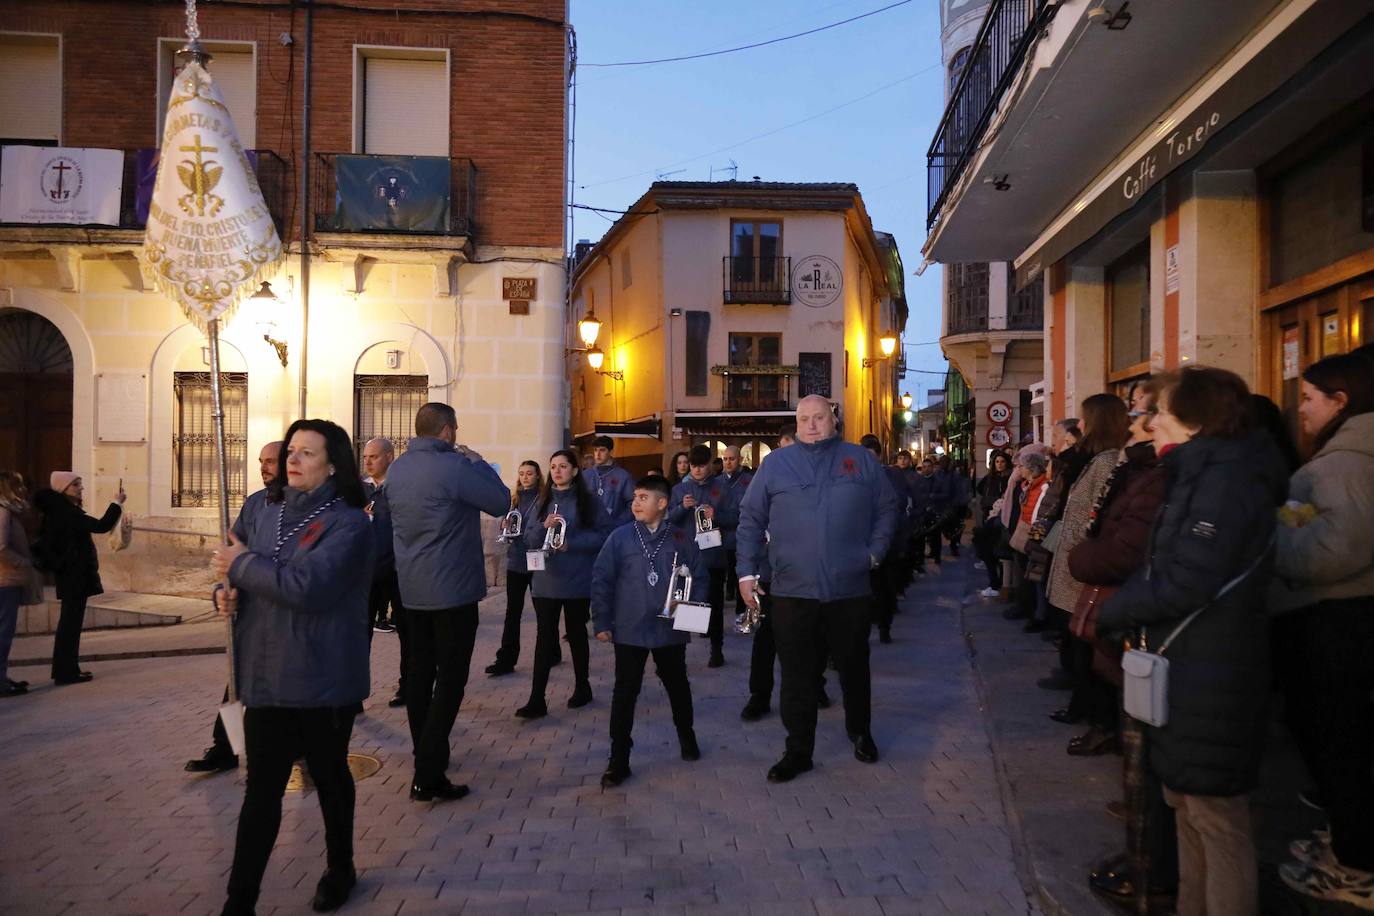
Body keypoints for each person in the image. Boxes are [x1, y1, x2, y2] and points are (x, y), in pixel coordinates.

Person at [1097, 367, 1286, 916]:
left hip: (1213, 668)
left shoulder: (1225, 482)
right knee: (1185, 804)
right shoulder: (1202, 473)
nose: (1150, 422)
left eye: (1163, 411)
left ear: (1196, 421)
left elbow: (1188, 579)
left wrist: (1117, 608)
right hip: (1191, 663)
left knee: (1214, 816)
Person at [210, 419, 374, 916]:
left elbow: (310, 588)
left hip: (322, 678)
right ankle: (240, 901)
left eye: (306, 452)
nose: (293, 460)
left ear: (332, 465)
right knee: (261, 793)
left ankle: (340, 867)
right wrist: (223, 593)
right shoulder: (261, 508)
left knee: (329, 778)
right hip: (264, 674)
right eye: (291, 451)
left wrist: (241, 568)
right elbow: (227, 562)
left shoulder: (349, 522)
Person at [737, 395, 899, 782]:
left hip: (849, 590)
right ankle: (798, 751)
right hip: (793, 592)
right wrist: (746, 574)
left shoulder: (860, 460)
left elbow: (888, 509)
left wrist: (874, 554)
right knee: (796, 675)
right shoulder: (775, 465)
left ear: (834, 420)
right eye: (804, 419)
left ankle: (860, 732)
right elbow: (750, 518)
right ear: (796, 423)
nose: (811, 425)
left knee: (854, 669)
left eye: (819, 418)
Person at [1270, 352, 1374, 907]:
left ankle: (1355, 870)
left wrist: (1276, 531)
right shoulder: (1345, 457)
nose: (1301, 409)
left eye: (1308, 397)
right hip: (1344, 622)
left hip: (1336, 624)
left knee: (1343, 750)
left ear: (1342, 400)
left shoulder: (1345, 464)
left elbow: (1332, 552)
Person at [1071, 383, 1177, 910]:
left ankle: (1154, 867)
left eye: (1150, 414)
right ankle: (1150, 857)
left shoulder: (1156, 476)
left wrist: (1084, 559)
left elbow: (1126, 548)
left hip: (1148, 628)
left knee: (1163, 764)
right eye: (1137, 414)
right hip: (1131, 619)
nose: (1143, 422)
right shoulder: (1144, 471)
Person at [387, 402, 510, 802]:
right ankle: (428, 772)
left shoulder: (399, 468)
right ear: (446, 431)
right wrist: (478, 464)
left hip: (411, 589)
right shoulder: (456, 467)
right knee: (451, 679)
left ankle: (428, 752)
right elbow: (501, 501)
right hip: (452, 591)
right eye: (454, 429)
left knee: (419, 675)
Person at [591, 475, 708, 787]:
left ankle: (687, 736)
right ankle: (619, 759)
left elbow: (700, 578)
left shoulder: (682, 539)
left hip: (669, 629)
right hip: (629, 628)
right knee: (625, 692)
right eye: (635, 497)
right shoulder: (620, 538)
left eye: (643, 497)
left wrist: (692, 617)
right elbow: (602, 579)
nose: (636, 503)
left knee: (677, 684)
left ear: (662, 503)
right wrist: (601, 621)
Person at [187, 441, 284, 774]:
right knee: (237, 680)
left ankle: (297, 746)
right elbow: (229, 554)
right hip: (252, 611)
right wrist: (220, 591)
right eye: (262, 461)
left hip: (287, 611)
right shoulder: (255, 504)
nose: (265, 467)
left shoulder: (306, 508)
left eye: (272, 461)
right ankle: (225, 746)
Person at [1043, 393, 1131, 754]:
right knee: (1078, 643)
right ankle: (1084, 708)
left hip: (1083, 568)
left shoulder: (1108, 462)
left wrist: (1080, 550)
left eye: (1084, 418)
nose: (1079, 426)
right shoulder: (1097, 459)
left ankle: (1097, 719)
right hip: (1076, 564)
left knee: (1088, 645)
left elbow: (1096, 515)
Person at [739, 428, 833, 722]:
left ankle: (814, 686)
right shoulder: (769, 476)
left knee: (813, 635)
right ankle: (760, 695)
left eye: (789, 448)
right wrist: (748, 572)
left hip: (811, 573)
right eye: (780, 449)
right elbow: (752, 519)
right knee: (766, 638)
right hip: (771, 574)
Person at [518, 449, 611, 718]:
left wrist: (574, 544)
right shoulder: (542, 500)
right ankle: (537, 698)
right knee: (544, 638)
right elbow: (528, 537)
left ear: (574, 470)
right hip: (546, 580)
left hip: (577, 578)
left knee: (576, 632)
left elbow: (604, 535)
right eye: (553, 467)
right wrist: (542, 527)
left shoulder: (589, 501)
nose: (557, 471)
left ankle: (583, 686)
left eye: (563, 466)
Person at [33, 471, 124, 684]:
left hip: (71, 574)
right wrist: (117, 503)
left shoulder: (63, 511)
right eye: (76, 485)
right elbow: (101, 525)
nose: (81, 488)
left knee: (70, 624)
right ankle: (66, 673)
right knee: (70, 625)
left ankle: (67, 670)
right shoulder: (66, 513)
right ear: (64, 489)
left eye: (80, 484)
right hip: (73, 574)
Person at [669, 445, 736, 668]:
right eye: (693, 466)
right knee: (687, 605)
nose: (697, 470)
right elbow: (668, 520)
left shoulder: (722, 488)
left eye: (701, 465)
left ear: (710, 464)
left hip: (714, 556)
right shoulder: (680, 489)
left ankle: (717, 650)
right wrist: (681, 508)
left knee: (714, 604)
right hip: (687, 557)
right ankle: (681, 654)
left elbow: (736, 517)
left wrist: (717, 516)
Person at [485, 460, 545, 677]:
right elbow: (508, 521)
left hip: (537, 560)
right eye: (522, 474)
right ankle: (506, 659)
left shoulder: (545, 499)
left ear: (538, 476)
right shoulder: (514, 499)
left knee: (543, 612)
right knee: (512, 612)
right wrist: (505, 525)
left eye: (530, 473)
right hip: (516, 560)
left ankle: (551, 651)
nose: (525, 477)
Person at [860, 435, 907, 644]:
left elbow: (898, 507)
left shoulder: (892, 476)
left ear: (879, 456)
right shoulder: (855, 476)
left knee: (885, 587)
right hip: (861, 542)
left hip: (887, 542)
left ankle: (884, 626)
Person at [0, 471, 34, 698]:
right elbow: (1, 547)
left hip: (8, 579)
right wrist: (24, 563)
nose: (23, 490)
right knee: (3, 632)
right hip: (4, 580)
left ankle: (2, 677)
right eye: (18, 486)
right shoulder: (3, 512)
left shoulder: (11, 512)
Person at [362, 438, 398, 634]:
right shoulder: (358, 488)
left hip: (397, 569)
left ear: (389, 457)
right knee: (361, 633)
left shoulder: (401, 487)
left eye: (373, 457)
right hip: (368, 571)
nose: (367, 462)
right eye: (365, 457)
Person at [719, 446, 753, 635]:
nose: (728, 462)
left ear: (740, 459)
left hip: (741, 539)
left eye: (732, 459)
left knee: (742, 577)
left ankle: (742, 615)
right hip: (720, 539)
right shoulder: (716, 483)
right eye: (725, 459)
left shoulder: (749, 482)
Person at [973, 450, 1012, 597]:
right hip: (989, 516)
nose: (999, 464)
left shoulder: (1009, 478)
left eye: (1002, 461)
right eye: (997, 462)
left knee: (998, 553)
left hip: (1000, 520)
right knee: (989, 552)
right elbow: (980, 488)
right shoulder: (990, 478)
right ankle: (995, 583)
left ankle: (998, 584)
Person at [583, 435, 635, 527]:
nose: (598, 454)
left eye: (602, 450)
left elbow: (632, 504)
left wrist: (618, 523)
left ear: (611, 452)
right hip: (588, 530)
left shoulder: (623, 476)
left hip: (613, 530)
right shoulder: (585, 475)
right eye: (595, 450)